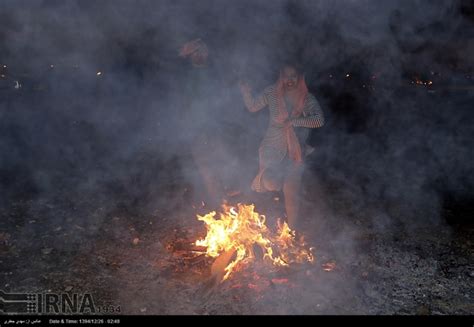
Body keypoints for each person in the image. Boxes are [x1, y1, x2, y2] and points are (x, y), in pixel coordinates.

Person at [239, 63, 324, 229]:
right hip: (273, 146)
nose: (290, 80)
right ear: (281, 76)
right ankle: (259, 189)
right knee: (272, 182)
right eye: (286, 76)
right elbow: (253, 106)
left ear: (299, 77)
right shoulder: (272, 92)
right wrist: (246, 92)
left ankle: (292, 233)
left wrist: (295, 121)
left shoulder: (306, 98)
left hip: (296, 151)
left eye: (294, 76)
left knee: (291, 191)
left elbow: (319, 120)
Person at [178, 38, 239, 209]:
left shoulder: (214, 71)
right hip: (195, 127)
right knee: (205, 167)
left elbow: (224, 96)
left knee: (223, 157)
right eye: (196, 52)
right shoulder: (186, 73)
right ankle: (219, 205)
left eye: (203, 50)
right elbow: (184, 101)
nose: (200, 54)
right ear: (191, 55)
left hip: (215, 125)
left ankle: (228, 192)